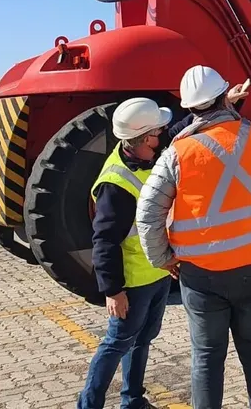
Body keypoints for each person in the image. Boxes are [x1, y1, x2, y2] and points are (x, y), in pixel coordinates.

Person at [136, 66, 251, 409]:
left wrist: (164, 259)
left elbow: (147, 213)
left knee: (206, 357)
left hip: (202, 275)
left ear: (189, 108)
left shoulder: (177, 153)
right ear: (224, 96)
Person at [77, 97, 175, 409]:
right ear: (144, 138)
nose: (162, 138)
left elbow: (181, 133)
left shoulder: (145, 154)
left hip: (158, 272)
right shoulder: (115, 184)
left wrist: (223, 105)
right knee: (116, 343)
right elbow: (104, 241)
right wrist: (113, 290)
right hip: (133, 283)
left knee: (142, 340)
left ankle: (132, 400)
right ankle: (88, 405)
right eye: (157, 134)